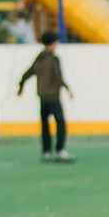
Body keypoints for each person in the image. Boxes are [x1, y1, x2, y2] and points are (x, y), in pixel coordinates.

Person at [17, 31, 74, 163]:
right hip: (53, 96)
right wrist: (67, 88)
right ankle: (59, 150)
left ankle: (46, 151)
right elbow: (58, 77)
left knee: (45, 124)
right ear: (53, 43)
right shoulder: (53, 59)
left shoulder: (39, 58)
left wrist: (21, 87)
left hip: (42, 96)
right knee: (60, 122)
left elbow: (28, 73)